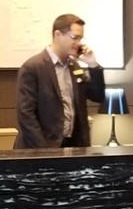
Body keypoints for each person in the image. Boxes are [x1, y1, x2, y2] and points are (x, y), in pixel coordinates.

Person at [16, 13, 108, 149]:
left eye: (81, 38)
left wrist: (93, 65)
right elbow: (25, 115)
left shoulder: (74, 66)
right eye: (74, 37)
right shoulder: (33, 67)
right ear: (58, 35)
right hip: (42, 148)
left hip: (72, 146)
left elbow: (97, 96)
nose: (79, 43)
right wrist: (44, 152)